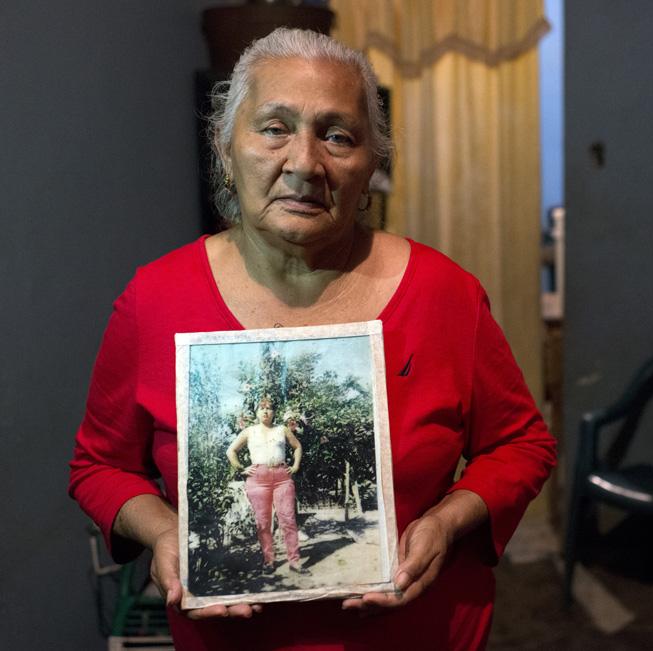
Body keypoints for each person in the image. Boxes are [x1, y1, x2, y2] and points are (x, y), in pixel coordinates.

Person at [68, 27, 556, 651]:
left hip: (421, 632)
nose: (304, 163)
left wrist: (447, 521)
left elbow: (522, 444)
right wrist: (163, 531)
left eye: (338, 135)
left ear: (372, 164)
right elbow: (99, 466)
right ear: (224, 148)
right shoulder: (153, 300)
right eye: (274, 127)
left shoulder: (444, 294)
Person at [226, 398, 306, 575]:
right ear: (256, 412)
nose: (265, 412)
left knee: (288, 520)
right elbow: (231, 451)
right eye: (262, 409)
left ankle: (295, 561)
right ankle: (269, 561)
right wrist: (241, 468)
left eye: (269, 408)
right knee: (263, 523)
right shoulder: (249, 431)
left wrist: (296, 465)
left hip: (282, 479)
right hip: (257, 480)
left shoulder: (282, 429)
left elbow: (297, 446)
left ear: (274, 412)